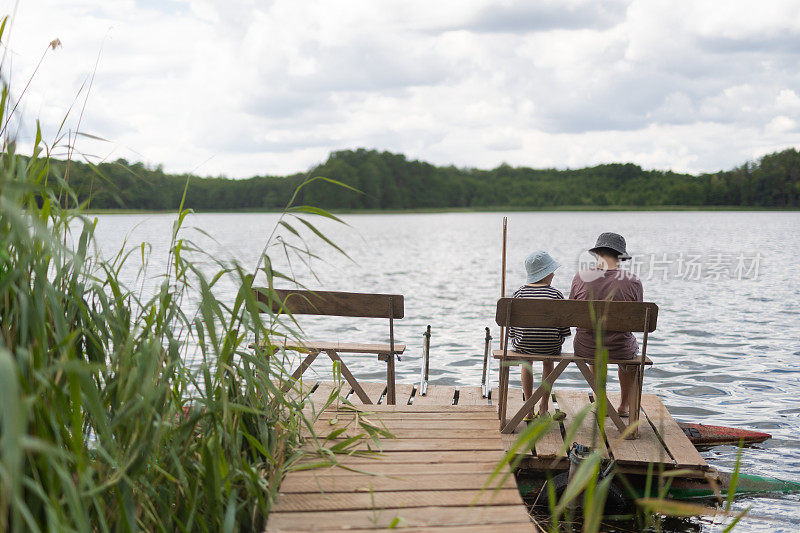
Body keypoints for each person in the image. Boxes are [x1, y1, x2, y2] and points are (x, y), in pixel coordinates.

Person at [569, 232, 643, 416]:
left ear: (597, 254)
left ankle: (600, 400)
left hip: (587, 347)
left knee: (594, 339)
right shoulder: (633, 281)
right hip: (620, 348)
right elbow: (637, 321)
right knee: (628, 348)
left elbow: (570, 314)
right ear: (621, 256)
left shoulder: (580, 278)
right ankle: (624, 405)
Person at [509, 250, 571, 417]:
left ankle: (529, 408)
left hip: (523, 345)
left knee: (526, 360)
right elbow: (564, 331)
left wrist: (521, 338)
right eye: (552, 271)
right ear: (546, 274)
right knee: (548, 361)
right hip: (550, 346)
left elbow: (512, 331)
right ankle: (543, 407)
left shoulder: (519, 294)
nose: (553, 275)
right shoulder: (556, 294)